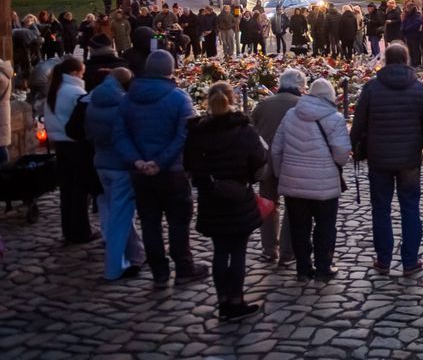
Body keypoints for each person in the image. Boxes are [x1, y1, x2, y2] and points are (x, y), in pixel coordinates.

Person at [115, 50, 207, 289]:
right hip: (172, 171)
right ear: (170, 69)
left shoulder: (127, 98)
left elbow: (120, 134)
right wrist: (160, 161)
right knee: (178, 221)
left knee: (149, 222)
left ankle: (159, 272)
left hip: (141, 172)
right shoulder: (179, 98)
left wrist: (137, 161)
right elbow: (185, 134)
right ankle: (184, 267)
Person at [351, 44, 423, 276]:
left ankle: (384, 260)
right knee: (410, 207)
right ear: (407, 59)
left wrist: (356, 145)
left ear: (386, 60)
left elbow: (358, 123)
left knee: (381, 209)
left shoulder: (372, 88)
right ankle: (409, 261)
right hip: (409, 158)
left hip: (379, 158)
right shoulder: (420, 89)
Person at [185, 82, 267, 320]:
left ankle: (223, 301)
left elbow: (189, 165)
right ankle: (236, 300)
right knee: (238, 251)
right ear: (232, 99)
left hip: (212, 198)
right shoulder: (244, 129)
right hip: (238, 194)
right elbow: (259, 161)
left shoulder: (198, 131)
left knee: (220, 251)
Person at [272, 78, 351, 281]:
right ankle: (324, 266)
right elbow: (342, 154)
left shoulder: (290, 115)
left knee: (299, 228)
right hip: (324, 184)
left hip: (294, 184)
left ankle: (303, 268)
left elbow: (276, 149)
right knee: (325, 226)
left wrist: (281, 173)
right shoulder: (335, 118)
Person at [86, 67, 147, 281]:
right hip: (120, 165)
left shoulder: (93, 102)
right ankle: (114, 267)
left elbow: (88, 132)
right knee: (120, 218)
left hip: (102, 163)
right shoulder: (123, 104)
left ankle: (135, 253)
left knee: (117, 213)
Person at [250, 68, 306, 264]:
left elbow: (251, 129)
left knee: (268, 205)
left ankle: (269, 249)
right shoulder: (301, 105)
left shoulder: (264, 104)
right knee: (293, 208)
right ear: (300, 87)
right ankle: (287, 251)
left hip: (267, 165)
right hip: (292, 164)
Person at [43, 56, 99, 244]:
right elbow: (82, 119)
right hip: (75, 145)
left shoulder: (55, 90)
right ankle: (81, 231)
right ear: (75, 73)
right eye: (82, 72)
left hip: (60, 145)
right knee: (79, 190)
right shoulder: (73, 91)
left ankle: (70, 230)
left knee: (67, 191)